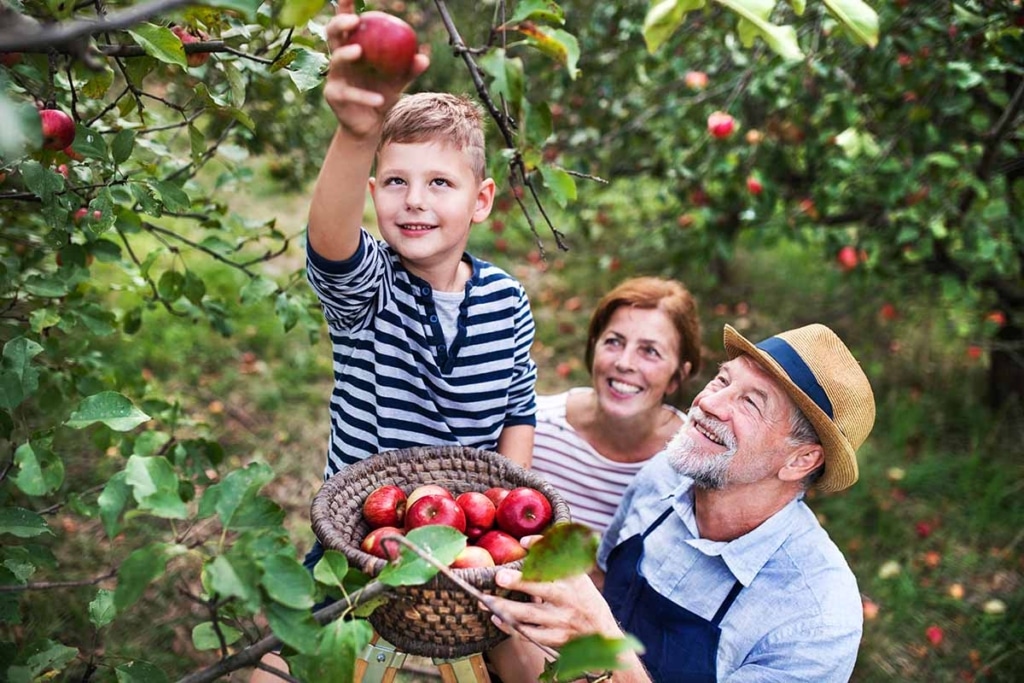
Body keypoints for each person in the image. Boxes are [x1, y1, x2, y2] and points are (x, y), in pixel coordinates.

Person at [254, 1, 537, 678]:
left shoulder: (505, 300)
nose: (415, 200)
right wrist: (357, 135)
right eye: (398, 183)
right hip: (357, 538)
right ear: (375, 192)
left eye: (440, 182)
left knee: (526, 653)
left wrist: (511, 525)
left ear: (482, 198)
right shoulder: (371, 288)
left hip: (464, 539)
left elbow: (517, 413)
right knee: (272, 663)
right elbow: (330, 245)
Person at [486, 323, 876, 682]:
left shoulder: (816, 617)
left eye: (751, 403)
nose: (710, 403)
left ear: (800, 460)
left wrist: (602, 637)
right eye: (722, 379)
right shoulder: (663, 476)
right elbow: (603, 581)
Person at [530, 276, 702, 541]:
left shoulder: (692, 465)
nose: (624, 362)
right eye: (614, 342)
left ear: (678, 375)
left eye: (650, 351)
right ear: (593, 346)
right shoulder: (534, 426)